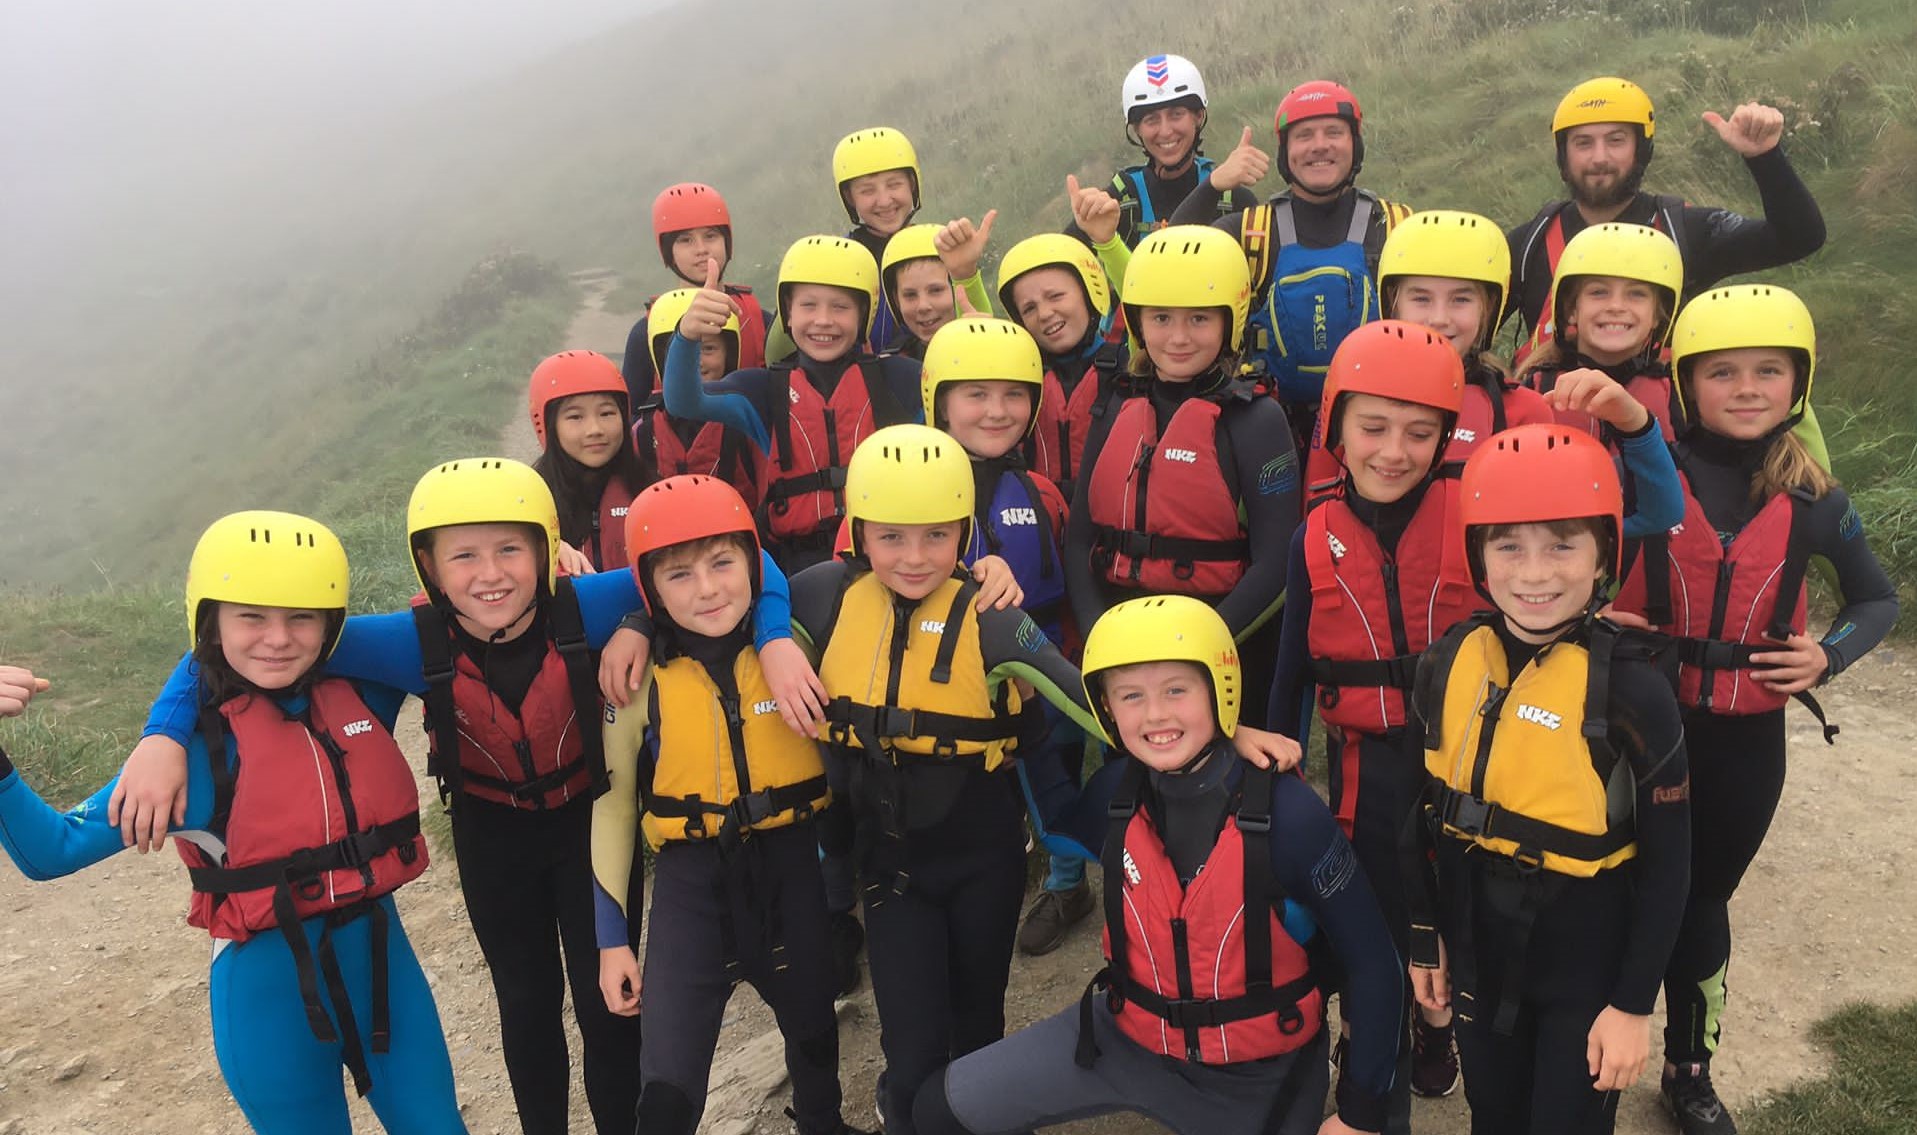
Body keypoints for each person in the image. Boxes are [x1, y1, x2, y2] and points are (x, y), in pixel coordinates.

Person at [786, 424, 1296, 1135]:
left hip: (983, 859)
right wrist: (774, 643)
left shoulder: (992, 617)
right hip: (891, 867)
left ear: (965, 533)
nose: (913, 557)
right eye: (892, 537)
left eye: (937, 536)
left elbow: (1088, 702)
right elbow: (724, 606)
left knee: (978, 1030)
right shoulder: (817, 599)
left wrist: (1221, 726)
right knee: (909, 1049)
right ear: (859, 531)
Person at [0, 513, 466, 1135]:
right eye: (251, 616)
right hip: (268, 1007)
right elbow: (51, 850)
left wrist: (564, 571)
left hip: (388, 982)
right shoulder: (190, 755)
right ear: (210, 623)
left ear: (331, 625)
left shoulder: (363, 692)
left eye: (301, 617)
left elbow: (473, 624)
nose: (277, 638)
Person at [912, 595, 1401, 1135]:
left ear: (1220, 691)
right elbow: (1054, 824)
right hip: (1124, 1038)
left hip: (1254, 1077)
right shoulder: (1114, 796)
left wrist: (1360, 1114)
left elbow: (1375, 963)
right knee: (938, 1109)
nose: (1156, 715)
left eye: (1176, 690)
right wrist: (1025, 695)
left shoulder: (1289, 815)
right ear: (1107, 709)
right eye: (1131, 696)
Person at [1607, 285, 1898, 1135]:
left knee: (1701, 899)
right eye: (1722, 371)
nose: (1744, 387)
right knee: (1614, 884)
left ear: (1797, 382)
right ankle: (1596, 1035)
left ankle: (1688, 1069)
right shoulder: (1643, 471)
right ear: (1685, 382)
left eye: (1768, 371)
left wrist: (1827, 653)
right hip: (1634, 727)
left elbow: (1875, 601)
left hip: (1743, 737)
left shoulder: (1815, 500)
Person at [1406, 423, 1693, 1135]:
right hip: (1476, 942)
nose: (1534, 572)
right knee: (1493, 1115)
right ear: (1478, 555)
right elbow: (1415, 812)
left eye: (1562, 543)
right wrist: (1423, 935)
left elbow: (1669, 867)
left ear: (1604, 555)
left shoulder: (1632, 690)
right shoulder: (1447, 661)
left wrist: (1631, 1006)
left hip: (1584, 962)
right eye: (1508, 545)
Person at [592, 475, 866, 1135]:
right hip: (691, 888)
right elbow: (613, 808)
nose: (708, 588)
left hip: (791, 867)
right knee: (665, 1089)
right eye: (679, 575)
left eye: (723, 562)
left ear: (751, 560)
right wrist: (611, 942)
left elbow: (902, 565)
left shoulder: (798, 638)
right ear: (647, 589)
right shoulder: (633, 682)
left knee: (813, 1031)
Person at [1268, 320, 1472, 1135]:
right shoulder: (1311, 537)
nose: (1394, 450)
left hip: (1466, 773)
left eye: (1419, 432)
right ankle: (1376, 1079)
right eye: (1372, 427)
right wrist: (1269, 760)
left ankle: (1441, 1022)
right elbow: (1287, 676)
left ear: (1445, 436)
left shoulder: (1477, 515)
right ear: (1335, 430)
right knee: (1379, 947)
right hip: (1366, 778)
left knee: (1459, 926)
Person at [1065, 224, 1300, 727]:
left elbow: (1277, 560)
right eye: (1162, 318)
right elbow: (1080, 536)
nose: (1177, 337)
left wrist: (1196, 648)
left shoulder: (1256, 420)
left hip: (1223, 643)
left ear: (1230, 320)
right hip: (1121, 640)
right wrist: (1097, 637)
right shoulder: (1115, 406)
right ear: (1137, 321)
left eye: (1198, 319)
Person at [1171, 80, 1411, 450]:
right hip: (1268, 431)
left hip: (1380, 434)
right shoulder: (1251, 233)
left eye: (1334, 132)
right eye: (1303, 136)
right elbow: (1170, 260)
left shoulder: (1396, 228)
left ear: (1355, 145)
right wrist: (1213, 186)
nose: (1319, 145)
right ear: (1286, 153)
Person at [1506, 77, 1827, 351]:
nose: (1599, 157)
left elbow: (1799, 237)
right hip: (1550, 418)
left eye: (1616, 141)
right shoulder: (1529, 245)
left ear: (1642, 151)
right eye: (1583, 143)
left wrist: (1765, 157)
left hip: (1661, 422)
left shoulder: (1685, 231)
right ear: (1564, 157)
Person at [666, 242, 923, 571]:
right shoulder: (762, 390)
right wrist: (687, 336)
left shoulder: (901, 381)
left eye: (841, 307)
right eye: (808, 306)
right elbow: (683, 401)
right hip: (796, 568)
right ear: (788, 312)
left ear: (865, 313)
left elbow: (965, 390)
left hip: (889, 561)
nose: (823, 320)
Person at [1375, 208, 1554, 484]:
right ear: (1393, 302)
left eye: (1461, 300)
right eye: (1421, 299)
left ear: (1489, 308)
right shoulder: (1354, 398)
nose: (1439, 319)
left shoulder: (1522, 411)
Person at [1518, 222, 1687, 444]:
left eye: (1636, 294)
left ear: (1657, 316)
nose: (1616, 306)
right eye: (1599, 292)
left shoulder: (1675, 395)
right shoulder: (1536, 386)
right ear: (1571, 310)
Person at [994, 230, 1132, 499]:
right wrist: (966, 278)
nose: (1044, 314)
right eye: (1029, 308)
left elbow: (1143, 296)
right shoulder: (1024, 378)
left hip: (1110, 527)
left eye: (1056, 296)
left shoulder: (1131, 364)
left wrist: (1109, 242)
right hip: (1046, 526)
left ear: (1089, 293)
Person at [1066, 53, 1257, 248]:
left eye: (1176, 114)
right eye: (1151, 119)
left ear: (1198, 116)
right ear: (1136, 128)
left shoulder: (1234, 199)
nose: (1165, 131)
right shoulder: (1121, 202)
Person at [623, 182, 769, 410]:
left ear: (727, 243)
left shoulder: (760, 321)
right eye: (685, 240)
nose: (701, 249)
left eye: (711, 236)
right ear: (667, 252)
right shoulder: (646, 332)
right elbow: (630, 419)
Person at [632, 287, 767, 508]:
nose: (696, 361)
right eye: (679, 350)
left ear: (729, 355)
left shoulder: (748, 423)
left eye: (709, 348)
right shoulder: (643, 432)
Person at [529, 349, 653, 573]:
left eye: (606, 413)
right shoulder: (527, 501)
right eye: (575, 417)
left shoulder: (650, 490)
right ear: (547, 425)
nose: (595, 430)